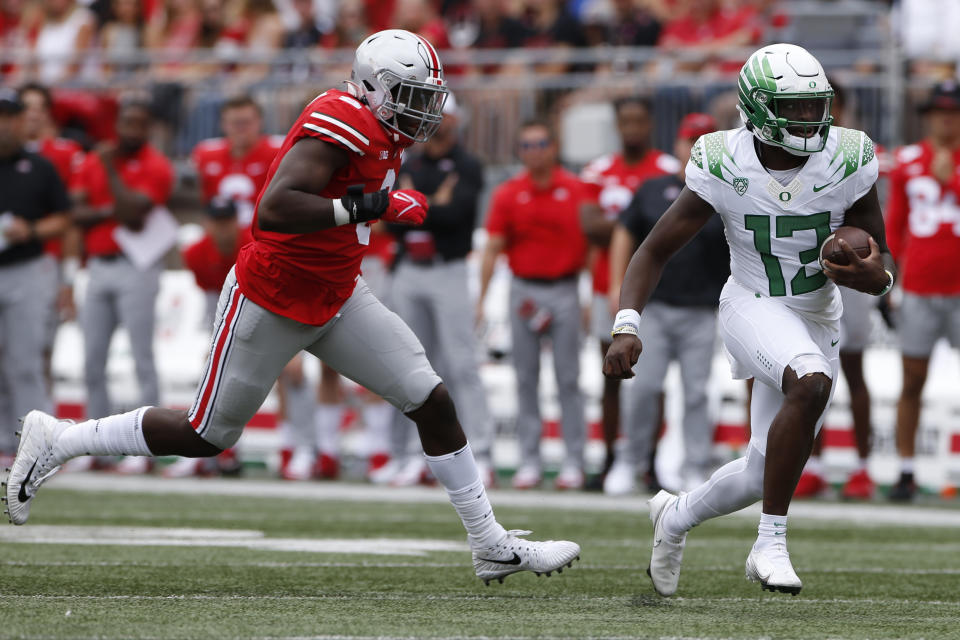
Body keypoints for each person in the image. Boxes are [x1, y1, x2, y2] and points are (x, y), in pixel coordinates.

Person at [5, 29, 580, 586]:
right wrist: (376, 204)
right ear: (373, 88)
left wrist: (369, 206)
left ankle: (490, 544)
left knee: (430, 400)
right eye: (410, 96)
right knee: (205, 434)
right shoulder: (345, 118)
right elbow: (274, 209)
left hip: (337, 293)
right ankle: (60, 439)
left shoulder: (383, 126)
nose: (422, 110)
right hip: (273, 295)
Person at [604, 44, 892, 595]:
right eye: (794, 106)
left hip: (818, 312)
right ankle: (771, 542)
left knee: (764, 470)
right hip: (751, 303)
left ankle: (676, 517)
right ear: (757, 107)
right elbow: (653, 249)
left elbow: (882, 256)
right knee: (810, 380)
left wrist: (872, 277)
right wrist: (626, 322)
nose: (810, 118)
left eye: (815, 106)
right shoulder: (722, 158)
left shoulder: (849, 156)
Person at [604, 112, 728, 495]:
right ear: (676, 145)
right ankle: (632, 461)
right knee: (644, 388)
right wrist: (616, 286)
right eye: (689, 141)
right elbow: (625, 235)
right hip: (655, 307)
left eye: (701, 141)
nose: (693, 149)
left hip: (702, 309)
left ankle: (694, 465)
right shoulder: (652, 188)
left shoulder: (726, 193)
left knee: (696, 392)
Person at [386, 92, 495, 488]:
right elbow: (393, 216)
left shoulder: (467, 165)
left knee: (461, 362)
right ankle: (414, 453)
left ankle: (481, 448)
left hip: (447, 269)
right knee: (410, 364)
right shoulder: (409, 162)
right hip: (409, 270)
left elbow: (458, 214)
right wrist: (433, 203)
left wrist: (418, 204)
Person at [478, 119, 589, 490]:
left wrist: (590, 296)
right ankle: (530, 460)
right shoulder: (509, 194)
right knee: (525, 379)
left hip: (564, 288)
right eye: (526, 146)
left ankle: (574, 459)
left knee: (568, 379)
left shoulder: (576, 190)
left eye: (540, 143)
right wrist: (481, 297)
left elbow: (590, 246)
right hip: (523, 289)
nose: (534, 152)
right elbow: (493, 246)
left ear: (553, 147)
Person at [70, 96, 176, 475]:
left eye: (138, 124)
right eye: (126, 123)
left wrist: (111, 172)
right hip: (99, 265)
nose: (131, 130)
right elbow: (76, 213)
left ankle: (144, 447)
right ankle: (95, 448)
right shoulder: (92, 162)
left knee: (140, 358)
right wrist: (106, 209)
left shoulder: (156, 165)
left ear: (147, 129)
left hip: (137, 266)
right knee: (92, 360)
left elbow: (132, 217)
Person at [579, 95, 679, 489]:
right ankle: (609, 458)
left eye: (640, 121)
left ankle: (651, 460)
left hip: (657, 290)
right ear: (617, 126)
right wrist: (641, 224)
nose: (633, 129)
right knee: (610, 376)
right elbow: (589, 226)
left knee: (653, 382)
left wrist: (622, 225)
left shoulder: (669, 168)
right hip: (609, 286)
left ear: (650, 123)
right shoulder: (599, 170)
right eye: (626, 122)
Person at [793, 84, 879, 500]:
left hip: (854, 274)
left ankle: (862, 466)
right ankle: (814, 463)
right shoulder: (791, 149)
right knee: (808, 373)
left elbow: (874, 224)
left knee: (855, 368)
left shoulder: (858, 154)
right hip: (805, 274)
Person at [886, 81, 960, 502]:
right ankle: (906, 469)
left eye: (952, 110)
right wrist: (890, 280)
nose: (945, 117)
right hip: (920, 284)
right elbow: (895, 226)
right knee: (912, 379)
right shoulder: (910, 161)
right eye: (938, 110)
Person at [0, 88, 70, 464]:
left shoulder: (40, 166)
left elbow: (64, 217)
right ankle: (3, 440)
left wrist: (32, 230)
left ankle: (36, 443)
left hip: (27, 269)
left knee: (25, 360)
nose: (4, 125)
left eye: (9, 116)